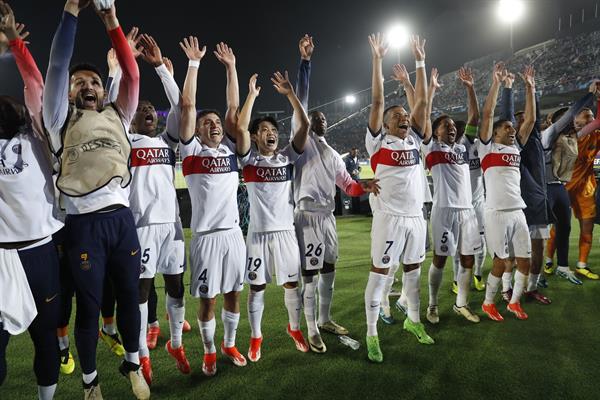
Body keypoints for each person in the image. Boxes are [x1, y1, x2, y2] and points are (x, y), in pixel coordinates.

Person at [42, 1, 149, 398]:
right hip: (82, 225)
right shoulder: (57, 118)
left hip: (121, 221)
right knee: (88, 309)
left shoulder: (118, 115)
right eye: (80, 83)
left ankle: (133, 364)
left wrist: (111, 21)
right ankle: (91, 384)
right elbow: (56, 66)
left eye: (94, 82)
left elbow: (133, 74)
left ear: (104, 89)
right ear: (69, 92)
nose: (88, 86)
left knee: (130, 299)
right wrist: (71, 8)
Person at [107, 33, 190, 384]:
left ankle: (176, 344)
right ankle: (141, 355)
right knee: (141, 292)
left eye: (151, 111)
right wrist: (114, 73)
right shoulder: (125, 138)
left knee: (176, 287)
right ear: (133, 119)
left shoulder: (166, 142)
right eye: (141, 110)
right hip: (139, 227)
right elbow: (113, 110)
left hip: (171, 226)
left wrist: (160, 69)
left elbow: (183, 107)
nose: (147, 113)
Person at [292, 34, 380, 353]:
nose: (321, 121)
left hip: (328, 218)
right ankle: (311, 326)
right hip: (307, 216)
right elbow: (301, 104)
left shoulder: (332, 152)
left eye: (323, 119)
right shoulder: (301, 145)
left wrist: (365, 186)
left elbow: (348, 185)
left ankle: (325, 318)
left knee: (329, 268)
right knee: (311, 273)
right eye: (316, 118)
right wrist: (305, 63)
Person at [0, 3, 62, 398]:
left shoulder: (38, 139)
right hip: (2, 256)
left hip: (40, 252)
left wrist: (16, 43)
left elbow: (37, 86)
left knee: (46, 339)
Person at [178, 36, 247, 377]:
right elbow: (188, 106)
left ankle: (229, 343)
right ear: (197, 131)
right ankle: (207, 351)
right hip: (205, 237)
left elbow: (233, 110)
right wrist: (194, 65)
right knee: (208, 300)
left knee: (234, 293)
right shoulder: (191, 154)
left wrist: (232, 68)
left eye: (217, 123)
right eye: (209, 123)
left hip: (233, 234)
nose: (215, 125)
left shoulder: (231, 153)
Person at [364, 33, 431, 364]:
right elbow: (377, 102)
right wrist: (377, 59)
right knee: (379, 275)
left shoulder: (414, 142)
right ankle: (371, 333)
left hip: (415, 218)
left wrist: (419, 61)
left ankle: (413, 321)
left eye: (406, 117)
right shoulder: (378, 144)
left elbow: (421, 103)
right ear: (385, 124)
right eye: (398, 117)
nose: (405, 118)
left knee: (414, 275)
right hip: (389, 219)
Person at [236, 71, 311, 360]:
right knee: (257, 287)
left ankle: (294, 328)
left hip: (285, 232)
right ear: (256, 137)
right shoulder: (249, 159)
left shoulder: (286, 157)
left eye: (274, 130)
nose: (271, 133)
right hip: (257, 234)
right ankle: (256, 337)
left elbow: (303, 124)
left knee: (293, 284)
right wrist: (252, 97)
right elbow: (241, 128)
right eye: (264, 130)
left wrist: (290, 94)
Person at [421, 66, 482, 325]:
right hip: (444, 210)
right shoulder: (430, 147)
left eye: (452, 127)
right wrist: (432, 91)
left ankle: (461, 304)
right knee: (440, 259)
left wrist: (470, 88)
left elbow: (474, 118)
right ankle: (432, 305)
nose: (451, 129)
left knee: (468, 258)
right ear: (435, 132)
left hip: (466, 212)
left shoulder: (463, 147)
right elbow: (423, 117)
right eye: (445, 127)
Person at [478, 63, 536, 322]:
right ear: (495, 133)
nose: (513, 132)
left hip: (518, 211)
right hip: (496, 213)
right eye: (508, 129)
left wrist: (530, 87)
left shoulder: (516, 149)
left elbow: (531, 120)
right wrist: (496, 83)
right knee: (500, 262)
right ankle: (488, 303)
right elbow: (488, 114)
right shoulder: (487, 150)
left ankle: (514, 303)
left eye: (514, 130)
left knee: (525, 261)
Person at [451, 67, 486, 294]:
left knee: (481, 245)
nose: (461, 132)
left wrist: (470, 88)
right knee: (458, 247)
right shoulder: (454, 149)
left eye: (461, 129)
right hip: (459, 205)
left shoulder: (476, 144)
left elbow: (475, 116)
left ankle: (478, 275)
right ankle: (456, 280)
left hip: (478, 202)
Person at [564, 97, 600, 280]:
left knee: (587, 227)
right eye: (587, 116)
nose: (591, 119)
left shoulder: (596, 136)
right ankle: (548, 261)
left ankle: (582, 265)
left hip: (585, 187)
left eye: (592, 115)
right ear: (575, 120)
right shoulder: (570, 137)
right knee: (559, 228)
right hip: (564, 186)